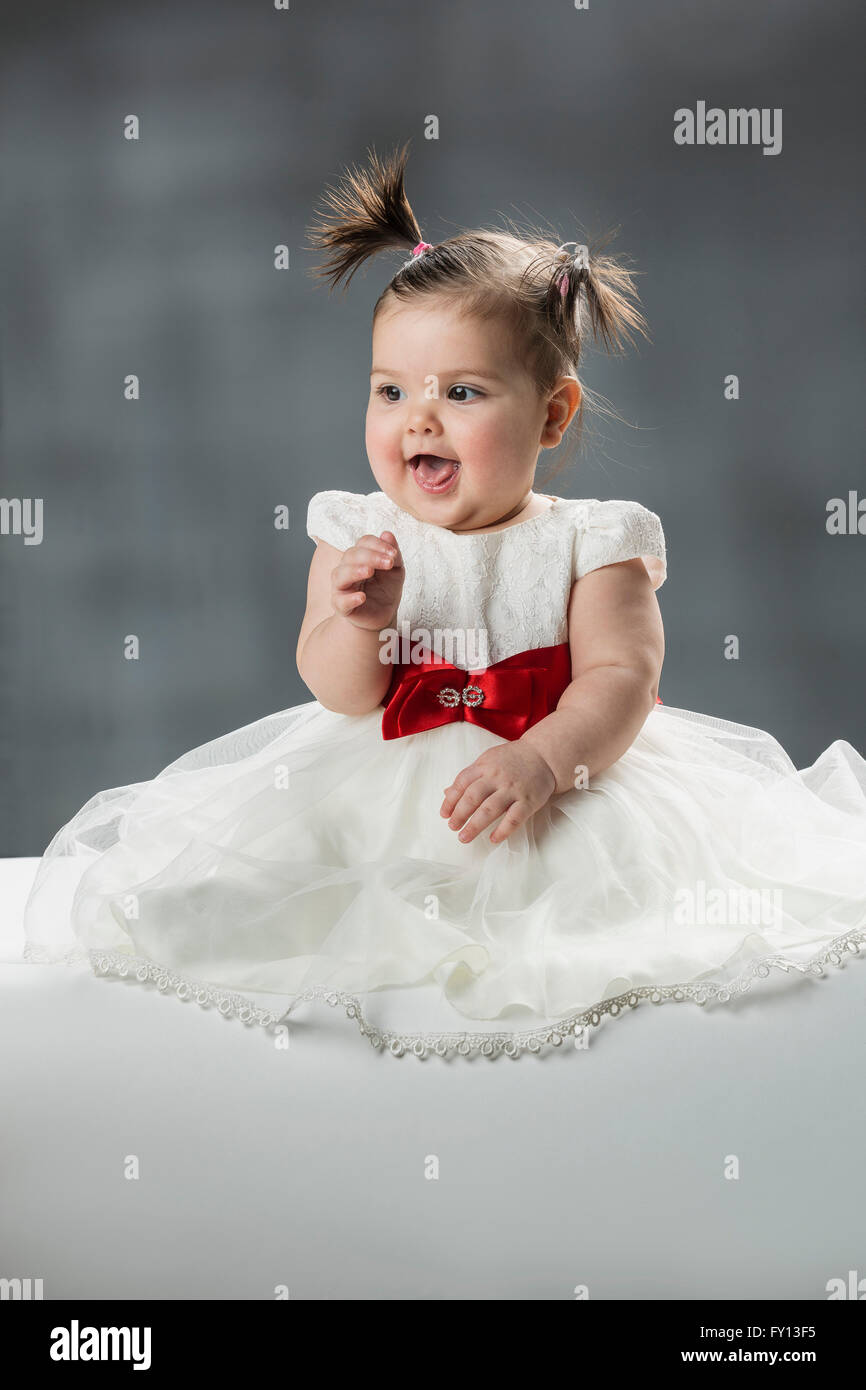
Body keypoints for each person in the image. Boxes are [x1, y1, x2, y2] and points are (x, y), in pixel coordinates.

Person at [22, 144, 866, 1059]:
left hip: (555, 771)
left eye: (461, 392)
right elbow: (341, 693)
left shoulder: (595, 540)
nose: (417, 417)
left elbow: (624, 676)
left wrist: (546, 762)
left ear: (552, 415)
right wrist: (361, 622)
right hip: (384, 779)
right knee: (300, 888)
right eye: (391, 391)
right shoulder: (356, 533)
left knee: (593, 915)